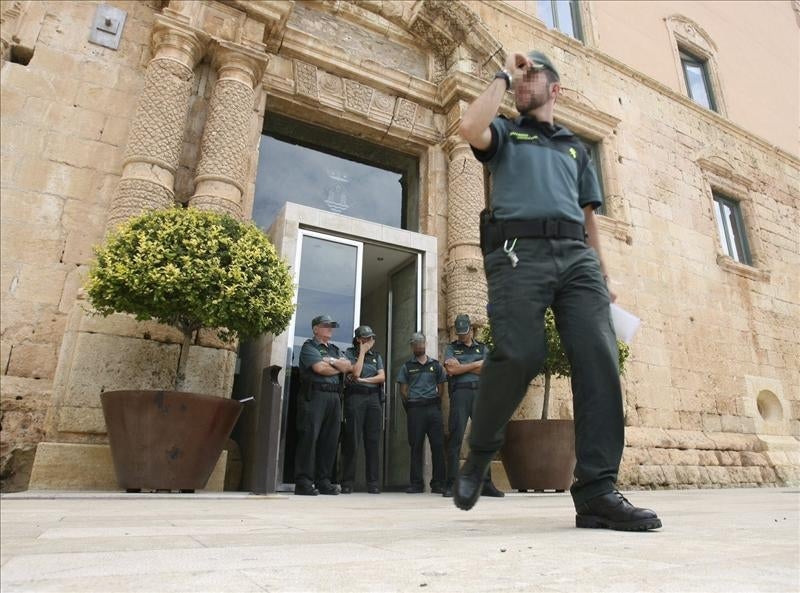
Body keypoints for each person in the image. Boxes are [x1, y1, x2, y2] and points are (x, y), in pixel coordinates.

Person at [455, 50, 661, 530]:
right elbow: (469, 127)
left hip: (577, 260)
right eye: (520, 75)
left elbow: (589, 217)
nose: (525, 81)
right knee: (519, 354)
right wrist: (503, 74)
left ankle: (596, 492)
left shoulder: (575, 148)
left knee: (599, 358)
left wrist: (602, 273)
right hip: (516, 252)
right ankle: (480, 452)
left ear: (555, 89)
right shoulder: (507, 132)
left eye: (533, 75)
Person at [442, 314, 504, 498]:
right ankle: (451, 483)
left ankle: (485, 483)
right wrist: (476, 364)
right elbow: (451, 369)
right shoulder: (451, 349)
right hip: (460, 394)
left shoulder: (483, 348)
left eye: (465, 332)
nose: (462, 336)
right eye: (459, 333)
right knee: (456, 438)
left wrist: (463, 366)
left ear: (472, 330)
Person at [295, 314, 352, 496]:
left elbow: (348, 366)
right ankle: (304, 481)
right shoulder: (309, 347)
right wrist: (336, 366)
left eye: (331, 326)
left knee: (330, 440)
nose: (330, 329)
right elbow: (319, 369)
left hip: (334, 397)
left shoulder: (335, 350)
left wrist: (331, 361)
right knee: (310, 437)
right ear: (315, 329)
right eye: (326, 325)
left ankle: (324, 481)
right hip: (315, 395)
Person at [396, 332, 447, 494]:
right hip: (415, 410)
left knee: (438, 446)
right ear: (412, 346)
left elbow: (441, 388)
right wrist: (412, 404)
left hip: (433, 409)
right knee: (416, 446)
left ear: (425, 344)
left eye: (421, 343)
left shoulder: (435, 365)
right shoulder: (407, 367)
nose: (419, 346)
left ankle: (438, 483)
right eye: (415, 343)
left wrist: (432, 401)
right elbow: (403, 390)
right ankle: (416, 484)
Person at [341, 325, 386, 494]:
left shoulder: (377, 357)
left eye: (371, 338)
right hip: (355, 398)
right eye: (367, 338)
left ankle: (373, 483)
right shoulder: (349, 354)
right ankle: (347, 482)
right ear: (359, 339)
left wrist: (365, 381)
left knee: (373, 442)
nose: (370, 341)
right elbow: (355, 372)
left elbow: (382, 377)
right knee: (352, 440)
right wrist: (361, 352)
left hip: (373, 399)